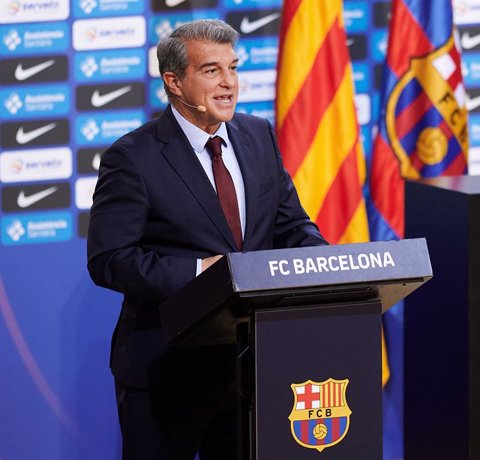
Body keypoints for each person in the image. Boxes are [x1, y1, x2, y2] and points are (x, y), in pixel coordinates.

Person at [87, 19, 327, 459]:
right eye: (212, 71)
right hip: (167, 370)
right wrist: (203, 273)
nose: (229, 84)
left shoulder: (258, 135)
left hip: (251, 365)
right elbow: (110, 260)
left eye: (233, 68)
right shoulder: (132, 158)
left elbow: (292, 226)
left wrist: (322, 267)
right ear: (174, 82)